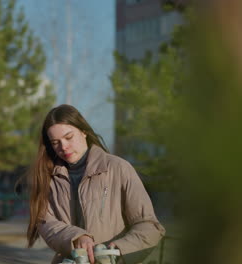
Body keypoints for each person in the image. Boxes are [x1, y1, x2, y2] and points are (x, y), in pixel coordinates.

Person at [26, 104, 165, 264]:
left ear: (83, 132)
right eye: (55, 142)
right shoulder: (48, 178)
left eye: (69, 137)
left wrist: (116, 251)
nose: (63, 147)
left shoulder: (118, 168)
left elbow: (149, 226)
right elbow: (46, 223)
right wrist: (76, 237)